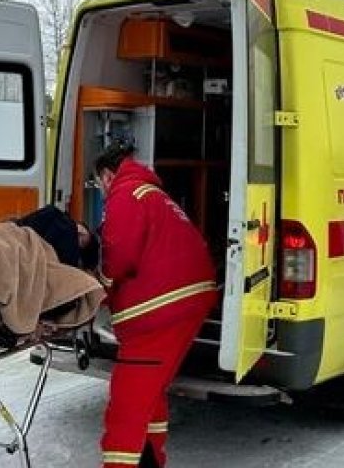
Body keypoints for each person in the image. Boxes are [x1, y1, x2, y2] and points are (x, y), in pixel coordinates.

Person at [92, 142, 217, 468]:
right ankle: (150, 460)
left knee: (127, 403)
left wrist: (98, 286)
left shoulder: (126, 194)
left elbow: (118, 256)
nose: (100, 192)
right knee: (150, 391)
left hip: (160, 311)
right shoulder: (152, 194)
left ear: (107, 175)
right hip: (187, 300)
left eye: (97, 184)